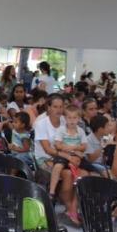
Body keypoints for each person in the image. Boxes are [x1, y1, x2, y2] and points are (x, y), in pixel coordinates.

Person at [34, 94, 80, 224]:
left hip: (64, 158)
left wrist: (73, 155)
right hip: (44, 158)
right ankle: (70, 209)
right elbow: (47, 149)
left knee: (83, 173)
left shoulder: (66, 122)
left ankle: (71, 209)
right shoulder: (41, 123)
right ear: (48, 108)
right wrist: (68, 156)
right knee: (67, 174)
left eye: (61, 106)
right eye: (55, 107)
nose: (59, 110)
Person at [49, 106, 88, 198]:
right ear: (65, 119)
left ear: (78, 119)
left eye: (74, 118)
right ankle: (52, 190)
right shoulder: (61, 130)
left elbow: (84, 146)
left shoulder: (80, 131)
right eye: (69, 118)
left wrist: (73, 148)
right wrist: (69, 148)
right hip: (64, 155)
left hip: (76, 155)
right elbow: (57, 145)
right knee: (57, 167)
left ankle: (76, 184)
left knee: (82, 166)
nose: (72, 120)